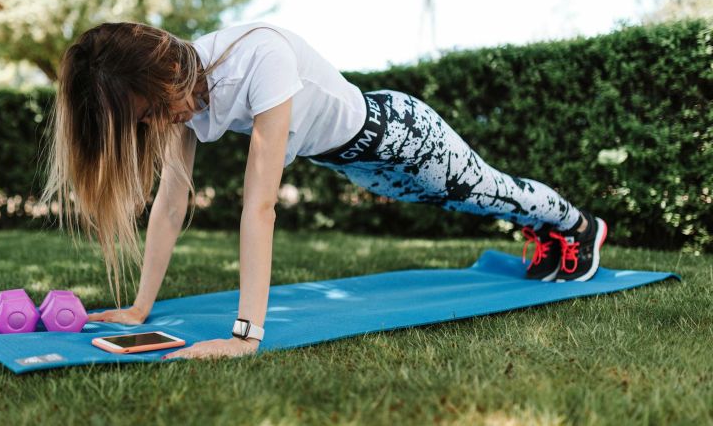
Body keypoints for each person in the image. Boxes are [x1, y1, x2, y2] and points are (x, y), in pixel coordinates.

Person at [40, 20, 608, 360]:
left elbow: (259, 206)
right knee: (461, 201)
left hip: (403, 136)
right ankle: (545, 226)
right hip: (358, 166)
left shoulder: (260, 58)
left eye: (150, 113)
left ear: (163, 81)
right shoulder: (182, 93)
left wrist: (246, 335)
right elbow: (170, 204)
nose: (157, 125)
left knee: (488, 192)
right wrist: (140, 309)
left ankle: (578, 226)